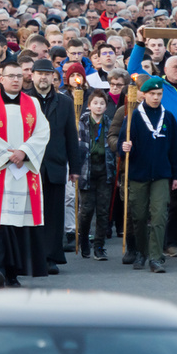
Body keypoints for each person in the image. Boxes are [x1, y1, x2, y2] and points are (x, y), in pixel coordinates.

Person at [0, 60, 51, 288]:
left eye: (20, 75)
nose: (17, 79)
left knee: (17, 225)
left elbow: (43, 132)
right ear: (1, 78)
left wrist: (24, 152)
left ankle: (13, 272)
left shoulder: (33, 103)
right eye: (12, 76)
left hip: (23, 172)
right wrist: (8, 155)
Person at [119, 76, 177, 273]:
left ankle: (156, 257)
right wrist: (125, 147)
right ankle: (141, 251)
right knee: (138, 216)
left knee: (159, 216)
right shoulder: (133, 117)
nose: (156, 98)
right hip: (138, 174)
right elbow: (122, 149)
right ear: (144, 94)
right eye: (152, 94)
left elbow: (174, 149)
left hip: (162, 175)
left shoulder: (168, 117)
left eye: (159, 94)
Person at [26, 58, 80, 275]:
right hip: (29, 166)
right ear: (32, 76)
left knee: (53, 214)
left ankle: (50, 257)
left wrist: (74, 167)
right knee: (30, 214)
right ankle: (30, 256)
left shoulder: (65, 102)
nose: (43, 77)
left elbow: (71, 137)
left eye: (47, 74)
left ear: (53, 77)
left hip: (55, 165)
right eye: (39, 73)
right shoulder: (24, 100)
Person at [76, 89, 116, 261]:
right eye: (95, 103)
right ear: (89, 105)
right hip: (87, 169)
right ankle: (83, 237)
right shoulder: (81, 122)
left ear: (106, 106)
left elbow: (114, 145)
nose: (98, 106)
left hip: (104, 170)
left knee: (103, 210)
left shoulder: (109, 123)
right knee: (86, 209)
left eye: (102, 103)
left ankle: (99, 245)